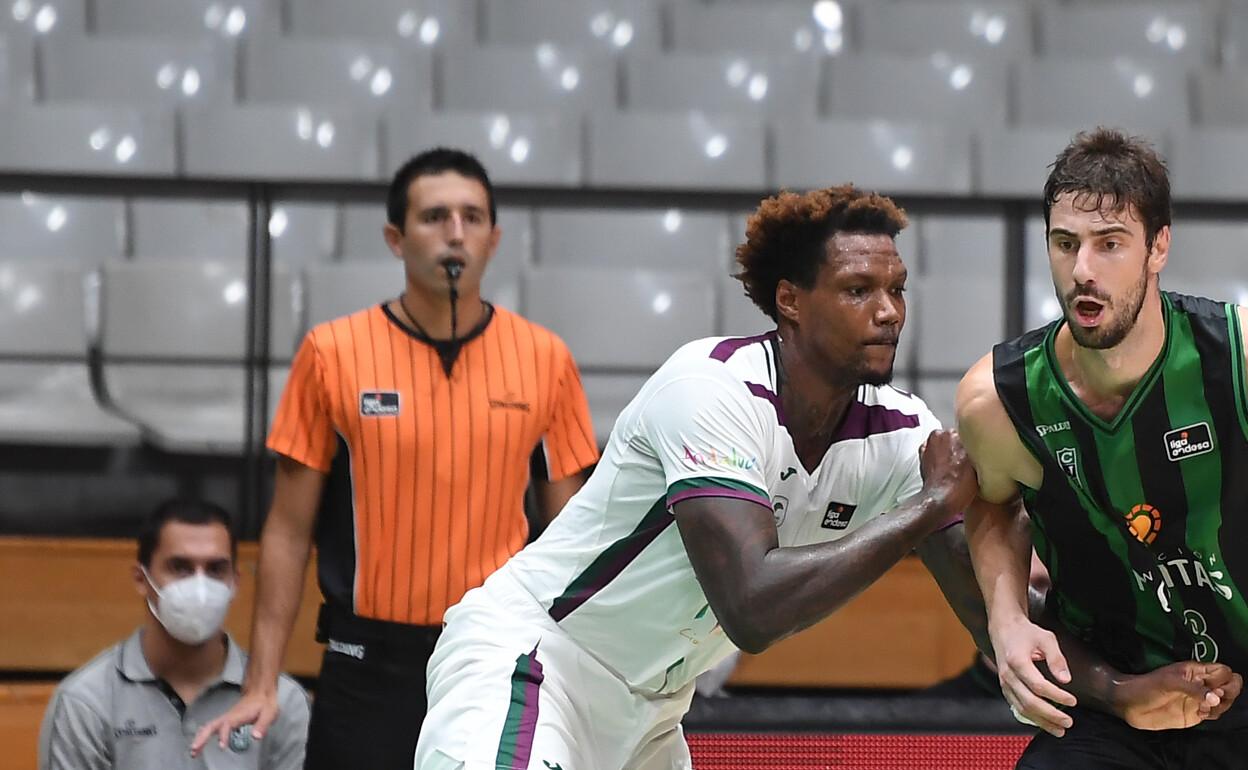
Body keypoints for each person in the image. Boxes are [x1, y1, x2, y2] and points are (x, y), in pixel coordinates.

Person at [413, 184, 997, 770]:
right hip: (539, 660)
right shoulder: (711, 389)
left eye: (896, 289)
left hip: (655, 712)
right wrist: (925, 507)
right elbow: (753, 606)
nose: (889, 310)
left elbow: (991, 613)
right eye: (858, 290)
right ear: (790, 300)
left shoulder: (902, 430)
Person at [193, 148, 600, 769]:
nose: (455, 232)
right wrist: (261, 682)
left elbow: (577, 538)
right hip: (364, 663)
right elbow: (287, 529)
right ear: (395, 238)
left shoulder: (547, 360)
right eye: (434, 216)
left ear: (494, 238)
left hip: (493, 659)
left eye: (471, 216)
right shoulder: (332, 353)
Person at [957, 128, 1247, 767]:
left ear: (1158, 246)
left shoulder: (1236, 357)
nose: (1082, 270)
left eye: (1110, 243)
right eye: (1066, 244)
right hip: (1115, 703)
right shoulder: (998, 398)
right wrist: (1006, 622)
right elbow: (994, 506)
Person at [38, 498, 309, 770]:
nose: (200, 586)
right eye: (180, 567)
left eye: (216, 569)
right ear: (141, 579)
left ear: (234, 583)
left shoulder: (283, 702)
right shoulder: (86, 701)